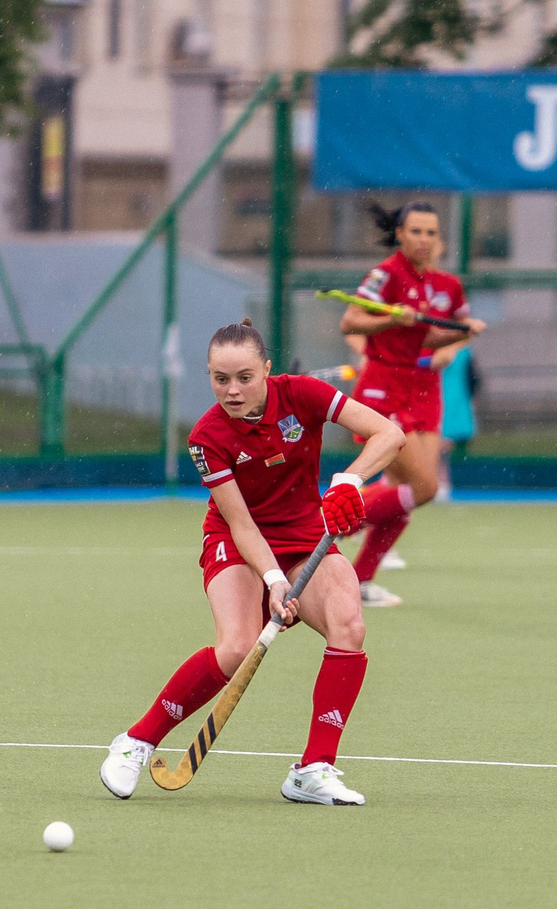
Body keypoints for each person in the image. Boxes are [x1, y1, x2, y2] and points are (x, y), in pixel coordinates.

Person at [100, 320, 405, 806]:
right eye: (221, 379)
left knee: (349, 625)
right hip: (237, 538)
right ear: (208, 376)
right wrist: (273, 580)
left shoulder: (302, 393)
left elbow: (389, 434)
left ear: (266, 369)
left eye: (245, 377)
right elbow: (241, 524)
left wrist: (350, 479)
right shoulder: (206, 437)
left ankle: (312, 770)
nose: (233, 390)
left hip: (305, 535)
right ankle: (136, 741)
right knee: (238, 646)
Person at [339, 202, 485, 607]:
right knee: (423, 487)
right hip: (382, 387)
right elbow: (350, 322)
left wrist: (461, 334)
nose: (424, 239)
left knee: (407, 491)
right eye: (416, 231)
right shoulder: (385, 275)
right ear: (400, 234)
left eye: (431, 233)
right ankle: (329, 523)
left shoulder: (444, 285)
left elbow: (426, 339)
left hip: (421, 391)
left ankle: (358, 580)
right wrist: (391, 319)